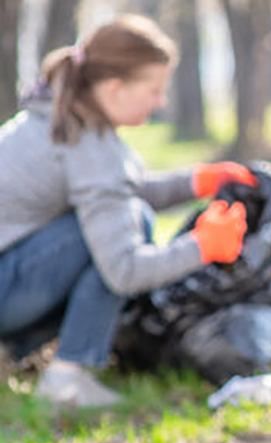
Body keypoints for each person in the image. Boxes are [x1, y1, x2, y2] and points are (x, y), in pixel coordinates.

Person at [0, 15, 255, 407]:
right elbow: (125, 271)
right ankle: (68, 378)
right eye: (154, 90)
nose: (161, 102)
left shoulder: (59, 116)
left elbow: (117, 191)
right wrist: (203, 247)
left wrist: (196, 182)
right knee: (131, 222)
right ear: (116, 87)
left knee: (125, 215)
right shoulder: (86, 145)